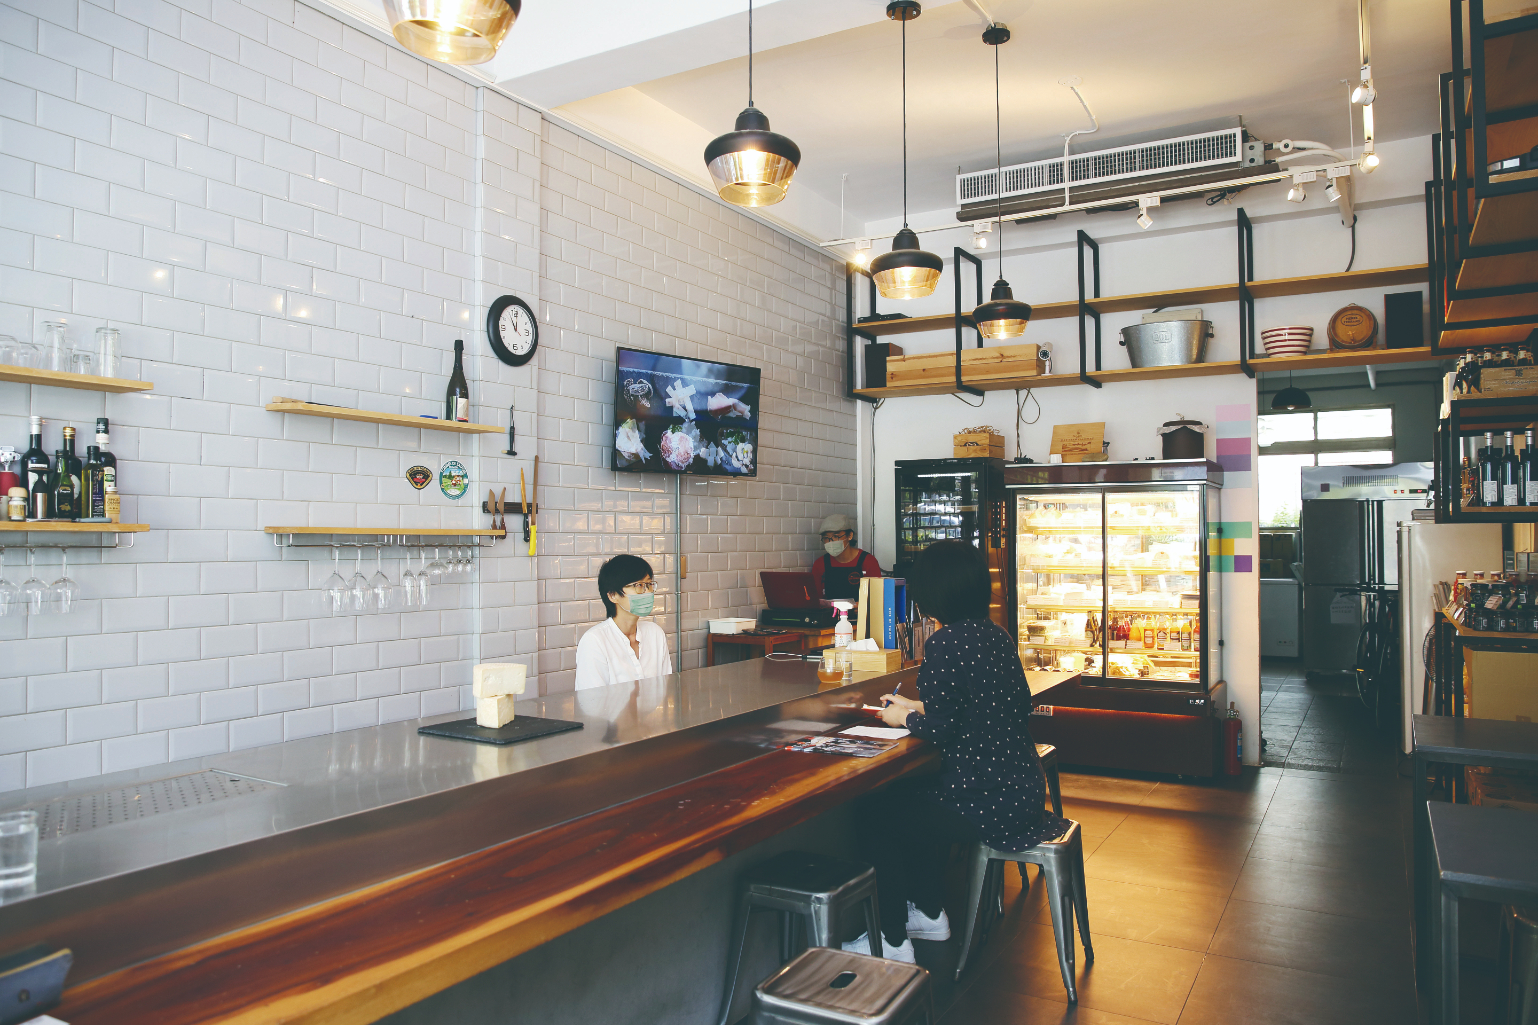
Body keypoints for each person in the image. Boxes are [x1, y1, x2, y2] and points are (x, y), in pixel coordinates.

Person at [842, 539, 1067, 964]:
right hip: (1021, 792)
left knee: (876, 813)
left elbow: (943, 730)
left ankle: (892, 940)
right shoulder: (996, 635)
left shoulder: (946, 642)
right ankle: (928, 913)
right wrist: (918, 706)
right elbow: (985, 705)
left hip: (986, 801)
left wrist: (903, 718)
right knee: (914, 802)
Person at [574, 554, 674, 691]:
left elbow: (665, 688)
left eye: (649, 584)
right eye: (639, 585)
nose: (647, 592)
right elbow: (591, 700)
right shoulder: (595, 641)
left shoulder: (655, 633)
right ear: (612, 595)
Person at [810, 513, 882, 602]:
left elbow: (878, 597)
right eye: (826, 538)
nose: (831, 541)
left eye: (836, 536)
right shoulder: (820, 564)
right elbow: (816, 599)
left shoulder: (868, 561)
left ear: (850, 536)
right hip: (830, 610)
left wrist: (861, 606)